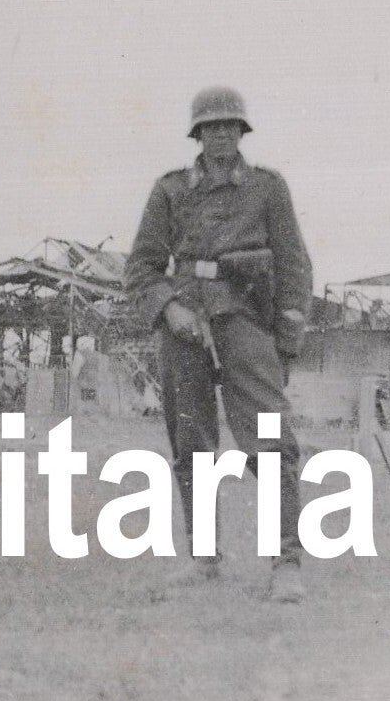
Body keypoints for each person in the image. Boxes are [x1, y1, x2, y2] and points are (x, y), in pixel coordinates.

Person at [125, 87, 313, 603]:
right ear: (198, 134)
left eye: (231, 125)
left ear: (242, 131)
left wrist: (286, 345)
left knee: (271, 440)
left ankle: (286, 563)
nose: (222, 134)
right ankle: (204, 560)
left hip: (247, 322)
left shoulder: (267, 188)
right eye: (212, 126)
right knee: (191, 444)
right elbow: (141, 266)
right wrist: (170, 308)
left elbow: (294, 266)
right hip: (185, 323)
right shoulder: (170, 190)